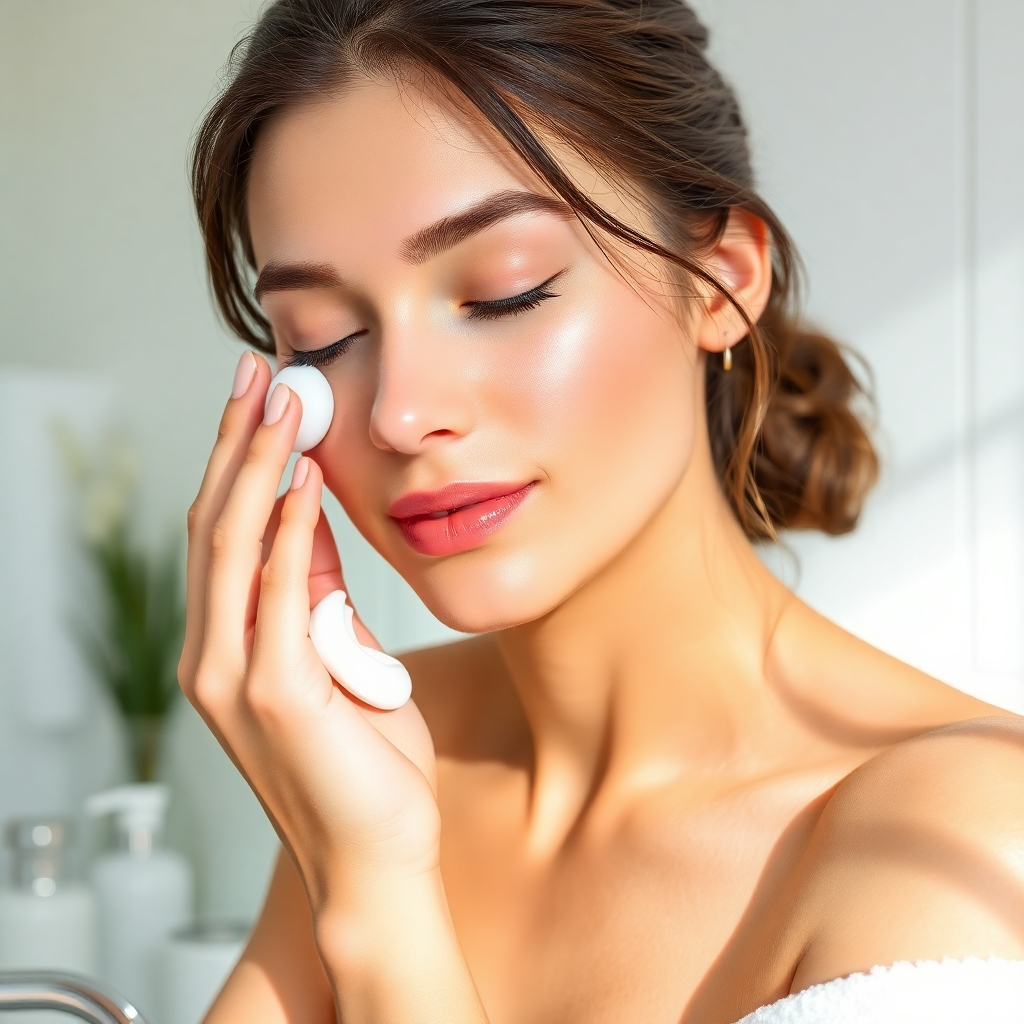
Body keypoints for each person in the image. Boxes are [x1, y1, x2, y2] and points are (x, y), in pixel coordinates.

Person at [178, 1, 1024, 1021]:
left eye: (504, 293)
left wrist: (378, 900)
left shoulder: (961, 833)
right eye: (319, 341)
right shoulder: (391, 744)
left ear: (719, 280)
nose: (401, 413)